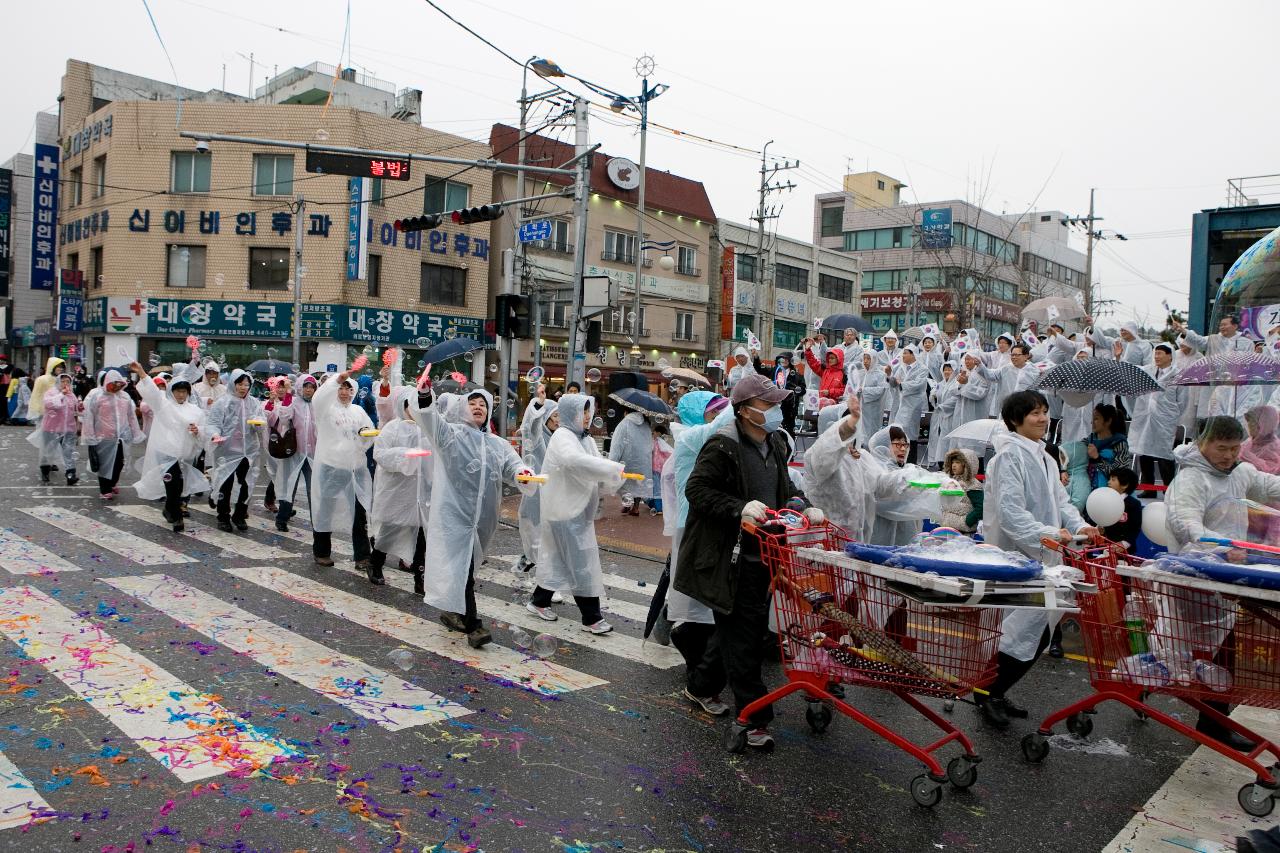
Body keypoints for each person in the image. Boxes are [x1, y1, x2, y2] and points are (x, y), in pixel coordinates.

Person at [674, 373, 818, 749]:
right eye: (768, 405)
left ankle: (700, 685)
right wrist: (739, 509)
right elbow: (697, 490)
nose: (775, 412)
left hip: (764, 556)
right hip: (729, 558)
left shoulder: (774, 445)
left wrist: (802, 506)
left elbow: (785, 490)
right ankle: (754, 717)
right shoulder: (722, 446)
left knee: (738, 630)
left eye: (776, 404)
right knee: (744, 637)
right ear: (745, 410)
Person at [979, 390, 1098, 727]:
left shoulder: (1045, 456)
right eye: (1034, 413)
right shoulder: (1008, 458)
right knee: (1018, 632)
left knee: (1034, 632)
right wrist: (1045, 532)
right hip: (1016, 557)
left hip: (1044, 554)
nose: (1043, 418)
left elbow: (1061, 502)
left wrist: (1080, 526)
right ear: (1016, 420)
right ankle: (988, 693)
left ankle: (994, 691)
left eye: (1045, 411)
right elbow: (1011, 514)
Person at [1165, 416, 1280, 748]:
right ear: (1204, 443)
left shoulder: (1240, 472)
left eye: (1234, 448)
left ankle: (1212, 722)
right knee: (1189, 651)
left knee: (1221, 653)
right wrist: (1223, 546)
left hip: (1228, 578)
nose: (1229, 456)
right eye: (1222, 448)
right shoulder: (1190, 479)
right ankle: (1208, 720)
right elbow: (1185, 522)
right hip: (1194, 579)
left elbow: (1269, 486)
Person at [412, 383, 534, 649]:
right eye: (472, 403)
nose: (478, 407)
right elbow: (430, 420)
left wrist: (522, 473)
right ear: (462, 407)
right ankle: (474, 626)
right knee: (463, 567)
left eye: (483, 404)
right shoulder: (451, 435)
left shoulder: (496, 443)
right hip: (454, 517)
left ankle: (452, 611)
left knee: (466, 569)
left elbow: (513, 465)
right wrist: (424, 396)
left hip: (483, 520)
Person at [528, 393, 625, 632]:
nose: (587, 416)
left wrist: (612, 476)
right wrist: (612, 468)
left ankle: (538, 601)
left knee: (558, 558)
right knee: (581, 563)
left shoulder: (585, 439)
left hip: (576, 511)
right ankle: (591, 618)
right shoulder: (563, 436)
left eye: (588, 411)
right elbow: (575, 461)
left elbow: (593, 465)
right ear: (570, 412)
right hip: (564, 511)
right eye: (583, 411)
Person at [663, 390, 734, 715]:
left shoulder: (703, 438)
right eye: (712, 410)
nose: (716, 416)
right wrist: (744, 402)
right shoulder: (689, 437)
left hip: (708, 526)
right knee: (696, 598)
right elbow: (720, 425)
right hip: (691, 526)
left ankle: (699, 662)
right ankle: (695, 662)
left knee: (701, 599)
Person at [805, 394, 913, 543]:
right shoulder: (816, 455)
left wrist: (912, 479)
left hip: (855, 540)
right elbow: (828, 447)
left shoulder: (861, 457)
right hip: (826, 540)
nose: (853, 429)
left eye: (855, 425)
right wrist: (848, 425)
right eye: (847, 423)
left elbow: (880, 484)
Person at [129, 362, 208, 531]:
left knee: (179, 486)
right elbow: (153, 394)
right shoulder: (164, 406)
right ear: (172, 391)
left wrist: (198, 430)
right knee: (172, 486)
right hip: (166, 453)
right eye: (178, 391)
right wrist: (142, 373)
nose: (181, 394)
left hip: (185, 455)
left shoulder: (195, 410)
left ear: (188, 392)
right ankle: (177, 517)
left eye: (184, 391)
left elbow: (204, 429)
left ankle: (169, 510)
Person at [310, 371, 374, 570]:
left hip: (355, 469)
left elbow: (368, 431)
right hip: (332, 467)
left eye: (348, 387)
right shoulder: (326, 410)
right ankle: (321, 552)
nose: (344, 392)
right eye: (341, 387)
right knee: (325, 510)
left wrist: (363, 437)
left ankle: (362, 555)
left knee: (360, 511)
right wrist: (336, 379)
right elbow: (318, 399)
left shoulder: (357, 411)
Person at [366, 386, 423, 586]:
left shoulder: (426, 429)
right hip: (396, 489)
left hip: (420, 492)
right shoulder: (393, 427)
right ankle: (375, 562)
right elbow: (380, 454)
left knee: (421, 533)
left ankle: (420, 577)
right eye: (410, 406)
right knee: (390, 529)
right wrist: (406, 455)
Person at [205, 370, 264, 531]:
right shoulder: (223, 403)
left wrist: (258, 424)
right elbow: (213, 423)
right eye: (240, 384)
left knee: (247, 483)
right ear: (233, 384)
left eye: (246, 384)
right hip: (227, 450)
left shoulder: (254, 402)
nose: (243, 387)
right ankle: (223, 516)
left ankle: (239, 514)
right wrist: (215, 434)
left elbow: (261, 419)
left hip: (249, 451)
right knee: (226, 483)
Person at [1129, 342, 1186, 493]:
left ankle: (1169, 489)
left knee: (1164, 453)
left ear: (1169, 356)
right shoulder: (1148, 371)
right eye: (1155, 353)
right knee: (1144, 451)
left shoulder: (1178, 375)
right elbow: (1132, 370)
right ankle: (1149, 488)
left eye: (1160, 353)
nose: (1157, 356)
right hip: (1145, 418)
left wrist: (1170, 415)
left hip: (1165, 420)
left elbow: (1183, 401)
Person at [1173, 314, 1256, 418]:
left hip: (1235, 386)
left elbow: (1249, 364)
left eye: (1225, 324)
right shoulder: (1212, 339)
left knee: (1232, 415)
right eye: (1221, 325)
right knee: (1210, 416)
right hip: (1213, 384)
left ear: (1235, 326)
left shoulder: (1246, 343)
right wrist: (1183, 330)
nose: (1222, 327)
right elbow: (1197, 340)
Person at [82, 369, 145, 500]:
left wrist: (136, 433)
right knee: (104, 464)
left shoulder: (125, 397)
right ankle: (105, 489)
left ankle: (112, 482)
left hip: (120, 437)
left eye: (119, 384)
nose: (116, 387)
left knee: (119, 463)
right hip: (102, 436)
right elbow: (90, 417)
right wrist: (89, 436)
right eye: (113, 383)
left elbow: (131, 417)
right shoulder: (98, 397)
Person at [265, 374, 317, 532]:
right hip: (294, 452)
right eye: (306, 387)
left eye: (312, 387)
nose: (308, 390)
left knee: (313, 489)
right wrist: (287, 394)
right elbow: (284, 417)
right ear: (300, 388)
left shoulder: (317, 404)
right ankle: (282, 518)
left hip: (312, 455)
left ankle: (318, 522)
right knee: (290, 486)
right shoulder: (294, 402)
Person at [516, 383, 558, 572]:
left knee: (548, 541)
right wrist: (539, 405)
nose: (558, 420)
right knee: (539, 541)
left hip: (553, 498)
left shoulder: (560, 438)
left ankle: (529, 566)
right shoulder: (539, 439)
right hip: (536, 499)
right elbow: (532, 429)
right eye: (555, 416)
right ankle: (546, 588)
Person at [29, 373, 80, 485]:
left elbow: (75, 410)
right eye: (63, 381)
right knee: (48, 451)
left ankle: (71, 475)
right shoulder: (51, 393)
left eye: (68, 381)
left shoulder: (71, 395)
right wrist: (61, 394)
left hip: (68, 428)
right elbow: (50, 405)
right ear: (58, 382)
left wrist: (80, 407)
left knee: (69, 452)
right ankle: (45, 472)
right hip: (51, 428)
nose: (65, 384)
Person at [886, 346, 928, 462]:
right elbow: (895, 383)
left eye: (905, 353)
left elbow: (918, 384)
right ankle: (901, 460)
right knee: (901, 433)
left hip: (913, 405)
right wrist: (889, 376)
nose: (902, 356)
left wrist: (903, 384)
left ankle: (911, 461)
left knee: (911, 433)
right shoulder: (901, 368)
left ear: (913, 354)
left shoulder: (922, 369)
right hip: (900, 404)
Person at [608, 410, 653, 515]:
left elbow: (617, 443)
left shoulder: (625, 423)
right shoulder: (646, 424)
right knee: (638, 482)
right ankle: (636, 507)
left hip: (628, 458)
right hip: (642, 460)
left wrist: (612, 460)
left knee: (625, 482)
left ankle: (627, 504)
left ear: (626, 411)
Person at [1093, 467, 1142, 550]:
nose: (1108, 482)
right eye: (1109, 479)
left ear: (1125, 485)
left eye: (1113, 480)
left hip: (1125, 550)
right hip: (1105, 547)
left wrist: (1125, 543)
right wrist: (1099, 528)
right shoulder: (1104, 501)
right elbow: (1101, 519)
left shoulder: (1134, 504)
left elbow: (1135, 528)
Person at [1086, 403, 1132, 489]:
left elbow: (1120, 474)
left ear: (1108, 421)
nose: (1092, 422)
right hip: (1088, 490)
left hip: (1111, 493)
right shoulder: (1089, 441)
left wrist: (1097, 458)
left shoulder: (1120, 443)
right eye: (1092, 419)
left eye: (1096, 419)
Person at [939, 448, 983, 533]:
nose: (953, 465)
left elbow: (980, 507)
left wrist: (967, 521)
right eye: (952, 462)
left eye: (957, 462)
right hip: (948, 527)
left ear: (966, 465)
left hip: (963, 531)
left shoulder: (973, 484)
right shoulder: (951, 481)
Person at [926, 362, 960, 469]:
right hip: (939, 416)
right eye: (945, 369)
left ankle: (950, 463)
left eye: (949, 370)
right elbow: (933, 399)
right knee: (939, 439)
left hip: (951, 416)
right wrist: (933, 396)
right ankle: (940, 461)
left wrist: (942, 406)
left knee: (949, 439)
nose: (947, 372)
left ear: (954, 371)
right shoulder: (940, 384)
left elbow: (955, 399)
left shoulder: (956, 384)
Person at [803, 341, 846, 407]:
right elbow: (813, 363)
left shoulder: (843, 374)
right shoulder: (825, 370)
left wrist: (829, 392)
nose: (830, 360)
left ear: (839, 359)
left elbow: (844, 391)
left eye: (832, 358)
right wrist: (808, 350)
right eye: (829, 358)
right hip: (821, 403)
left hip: (834, 406)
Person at [28, 357, 66, 424]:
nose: (61, 369)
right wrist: (36, 410)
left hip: (58, 410)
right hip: (44, 411)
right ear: (52, 367)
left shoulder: (63, 380)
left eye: (62, 367)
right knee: (43, 431)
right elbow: (36, 395)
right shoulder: (42, 379)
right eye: (58, 367)